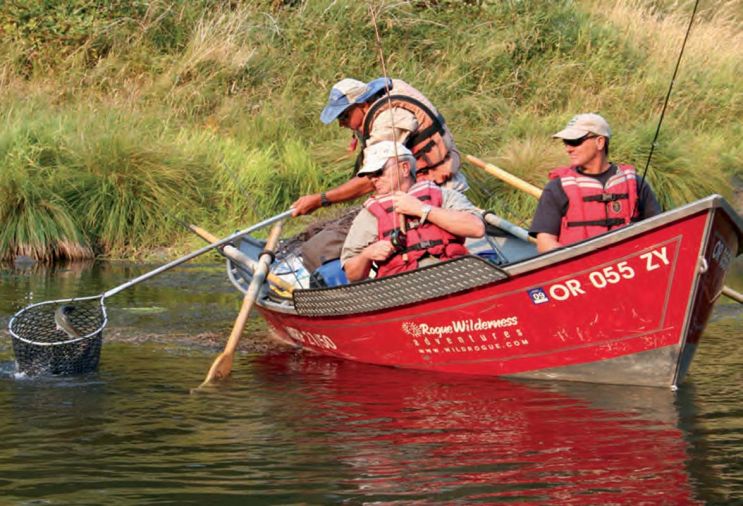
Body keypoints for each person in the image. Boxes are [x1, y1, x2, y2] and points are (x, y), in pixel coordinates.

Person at [292, 77, 468, 217]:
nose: (341, 124)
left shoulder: (389, 121)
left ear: (362, 105)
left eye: (344, 117)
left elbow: (372, 179)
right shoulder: (387, 93)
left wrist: (321, 199)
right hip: (417, 190)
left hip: (437, 193)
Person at [341, 141, 484, 282]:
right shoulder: (369, 215)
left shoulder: (443, 195)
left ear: (404, 168)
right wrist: (367, 254)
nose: (374, 179)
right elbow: (352, 275)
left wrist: (421, 210)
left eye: (379, 172)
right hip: (404, 288)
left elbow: (476, 229)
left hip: (454, 274)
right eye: (370, 175)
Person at [529, 113, 661, 253]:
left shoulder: (635, 183)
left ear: (600, 142)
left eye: (575, 141)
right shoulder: (556, 187)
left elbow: (659, 231)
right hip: (581, 271)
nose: (568, 149)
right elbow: (545, 243)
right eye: (566, 142)